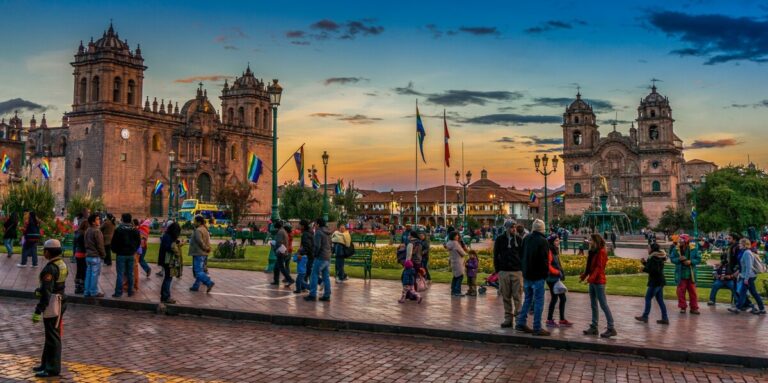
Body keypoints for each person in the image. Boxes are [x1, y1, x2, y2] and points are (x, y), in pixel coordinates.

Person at [31, 239, 68, 378]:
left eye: (44, 250)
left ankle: (52, 369)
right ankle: (45, 364)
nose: (43, 252)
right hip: (60, 300)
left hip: (53, 303)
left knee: (53, 337)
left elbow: (47, 292)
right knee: (51, 335)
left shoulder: (50, 268)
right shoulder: (61, 263)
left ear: (48, 252)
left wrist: (38, 310)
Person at [515, 219, 550, 336]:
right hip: (538, 274)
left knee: (528, 299)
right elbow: (545, 260)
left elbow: (521, 255)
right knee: (539, 301)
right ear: (542, 228)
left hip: (527, 274)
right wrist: (545, 274)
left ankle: (521, 322)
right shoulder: (543, 241)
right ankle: (537, 327)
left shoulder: (526, 238)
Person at [581, 233, 616, 338]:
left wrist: (590, 279)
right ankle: (594, 326)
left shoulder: (601, 252)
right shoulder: (592, 251)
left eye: (591, 240)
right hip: (593, 281)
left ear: (596, 241)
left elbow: (599, 268)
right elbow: (589, 266)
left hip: (599, 281)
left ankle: (611, 327)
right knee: (593, 304)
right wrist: (585, 275)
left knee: (603, 304)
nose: (589, 241)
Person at [494, 220, 524, 328]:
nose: (513, 229)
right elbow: (496, 255)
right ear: (506, 228)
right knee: (506, 296)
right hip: (504, 271)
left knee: (518, 296)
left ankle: (519, 319)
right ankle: (508, 318)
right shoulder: (500, 240)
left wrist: (521, 269)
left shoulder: (519, 240)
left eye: (514, 227)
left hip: (516, 271)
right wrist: (498, 271)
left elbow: (522, 255)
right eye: (511, 227)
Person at [729, 238, 766, 314]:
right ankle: (762, 308)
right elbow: (743, 266)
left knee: (743, 292)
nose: (739, 245)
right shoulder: (744, 252)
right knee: (753, 292)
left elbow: (749, 267)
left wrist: (746, 278)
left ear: (744, 244)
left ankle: (738, 308)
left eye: (740, 243)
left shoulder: (747, 253)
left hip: (749, 276)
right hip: (747, 276)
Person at [635, 242, 669, 324]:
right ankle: (665, 318)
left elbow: (654, 270)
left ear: (652, 249)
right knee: (660, 300)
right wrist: (644, 263)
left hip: (655, 282)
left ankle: (645, 316)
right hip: (659, 281)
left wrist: (643, 269)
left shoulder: (653, 257)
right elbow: (653, 267)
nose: (648, 249)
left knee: (648, 298)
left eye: (649, 248)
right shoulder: (658, 256)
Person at [111, 213, 141, 298]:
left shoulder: (119, 230)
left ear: (122, 219)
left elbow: (114, 242)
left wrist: (115, 250)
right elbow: (138, 242)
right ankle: (130, 291)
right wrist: (134, 249)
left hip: (120, 254)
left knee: (120, 274)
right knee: (130, 273)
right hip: (131, 254)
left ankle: (118, 292)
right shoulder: (135, 230)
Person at [669, 234, 701, 314]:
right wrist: (679, 259)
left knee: (693, 292)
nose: (680, 242)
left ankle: (694, 308)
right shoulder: (676, 249)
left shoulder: (694, 248)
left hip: (691, 274)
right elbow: (672, 259)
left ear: (686, 241)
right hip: (681, 273)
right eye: (679, 240)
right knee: (680, 292)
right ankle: (682, 307)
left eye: (682, 240)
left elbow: (698, 259)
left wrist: (691, 262)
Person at [546, 235, 572, 328]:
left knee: (562, 298)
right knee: (555, 298)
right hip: (551, 278)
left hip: (555, 278)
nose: (558, 242)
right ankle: (549, 319)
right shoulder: (549, 251)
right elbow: (548, 266)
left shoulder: (555, 250)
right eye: (556, 240)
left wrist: (561, 273)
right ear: (552, 242)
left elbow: (557, 264)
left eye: (558, 240)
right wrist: (557, 272)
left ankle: (561, 319)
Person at [305, 218, 332, 302]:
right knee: (326, 277)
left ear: (318, 225)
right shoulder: (328, 233)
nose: (314, 226)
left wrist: (315, 255)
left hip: (320, 257)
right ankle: (327, 295)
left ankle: (312, 295)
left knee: (314, 275)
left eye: (315, 224)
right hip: (327, 257)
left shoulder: (318, 232)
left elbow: (317, 246)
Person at [158, 221, 182, 303]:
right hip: (168, 260)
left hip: (167, 260)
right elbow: (169, 247)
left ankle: (164, 295)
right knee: (168, 278)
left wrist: (177, 243)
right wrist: (175, 246)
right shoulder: (167, 237)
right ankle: (165, 296)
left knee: (168, 278)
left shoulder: (168, 236)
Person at [189, 215, 214, 293]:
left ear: (199, 222)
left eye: (195, 221)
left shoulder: (198, 230)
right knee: (200, 270)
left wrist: (206, 248)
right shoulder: (205, 229)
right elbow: (207, 241)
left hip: (198, 253)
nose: (193, 222)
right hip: (203, 253)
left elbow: (200, 242)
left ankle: (209, 282)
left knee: (198, 271)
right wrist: (208, 249)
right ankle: (195, 286)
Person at [83, 214, 106, 297]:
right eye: (97, 219)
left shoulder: (87, 230)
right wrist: (103, 255)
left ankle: (87, 291)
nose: (99, 220)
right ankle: (93, 292)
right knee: (94, 275)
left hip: (88, 255)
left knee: (88, 274)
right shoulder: (97, 231)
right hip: (95, 256)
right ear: (93, 222)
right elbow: (100, 245)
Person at [270, 221, 294, 287]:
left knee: (281, 268)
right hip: (284, 251)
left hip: (281, 252)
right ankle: (276, 281)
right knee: (277, 267)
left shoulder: (280, 232)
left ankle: (290, 279)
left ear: (277, 227)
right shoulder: (283, 231)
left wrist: (273, 245)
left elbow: (279, 242)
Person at [446, 231, 466, 297]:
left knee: (455, 276)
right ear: (454, 236)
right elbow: (463, 253)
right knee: (460, 276)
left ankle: (453, 291)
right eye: (457, 235)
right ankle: (457, 291)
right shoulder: (455, 243)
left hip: (453, 261)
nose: (458, 237)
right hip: (458, 262)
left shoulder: (449, 243)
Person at [298, 219, 314, 286]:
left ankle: (318, 283)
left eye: (300, 225)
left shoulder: (305, 234)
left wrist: (300, 253)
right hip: (312, 254)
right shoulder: (310, 232)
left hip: (310, 254)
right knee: (308, 271)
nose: (299, 227)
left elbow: (306, 246)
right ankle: (304, 286)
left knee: (308, 271)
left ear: (303, 226)